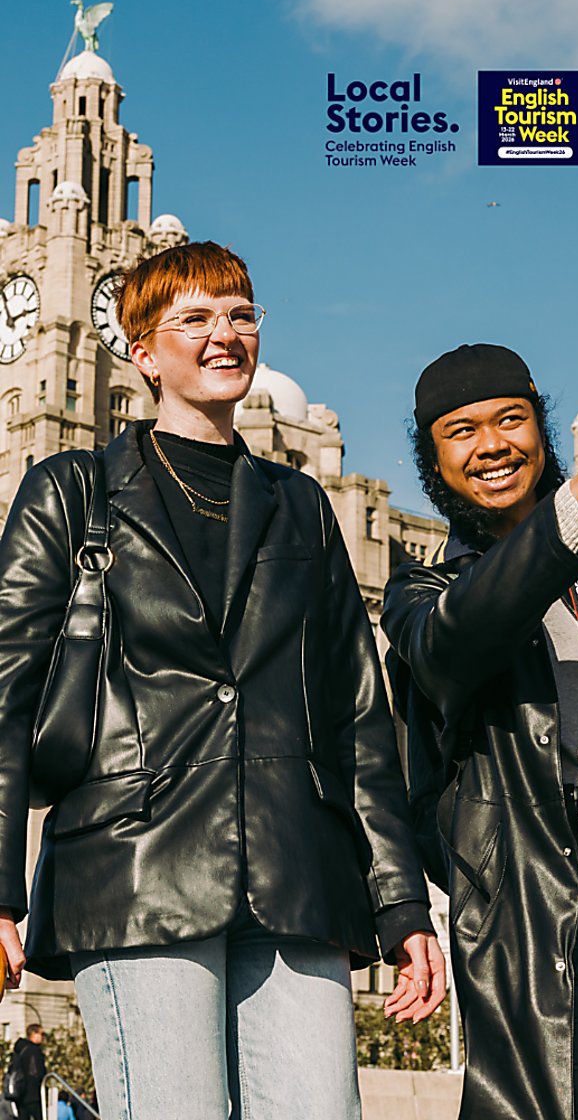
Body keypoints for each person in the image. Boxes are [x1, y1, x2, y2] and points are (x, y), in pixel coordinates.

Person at [0, 241, 445, 1120]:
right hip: (134, 868)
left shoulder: (303, 505)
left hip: (295, 874)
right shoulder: (71, 490)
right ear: (143, 350)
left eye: (241, 314)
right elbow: (6, 693)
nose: (225, 335)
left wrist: (400, 905)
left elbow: (360, 717)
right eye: (195, 318)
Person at [382, 342, 578, 1119]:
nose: (491, 446)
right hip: (555, 914)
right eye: (460, 431)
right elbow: (459, 643)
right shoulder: (423, 591)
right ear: (432, 459)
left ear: (540, 425)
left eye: (510, 420)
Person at [10, 1025, 45, 1120]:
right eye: (41, 1034)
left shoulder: (19, 1050)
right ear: (33, 1034)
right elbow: (37, 1072)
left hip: (20, 1092)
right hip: (33, 1094)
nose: (42, 1037)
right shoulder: (34, 1050)